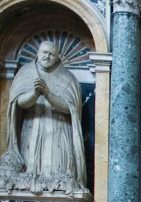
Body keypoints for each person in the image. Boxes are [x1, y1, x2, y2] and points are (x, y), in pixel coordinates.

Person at [1, 40, 87, 189]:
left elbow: (71, 108)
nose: (47, 57)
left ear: (58, 57)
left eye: (51, 54)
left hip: (59, 132)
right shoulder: (25, 72)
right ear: (37, 53)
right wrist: (34, 93)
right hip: (31, 128)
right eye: (44, 53)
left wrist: (48, 94)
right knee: (29, 171)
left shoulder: (68, 78)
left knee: (59, 174)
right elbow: (18, 103)